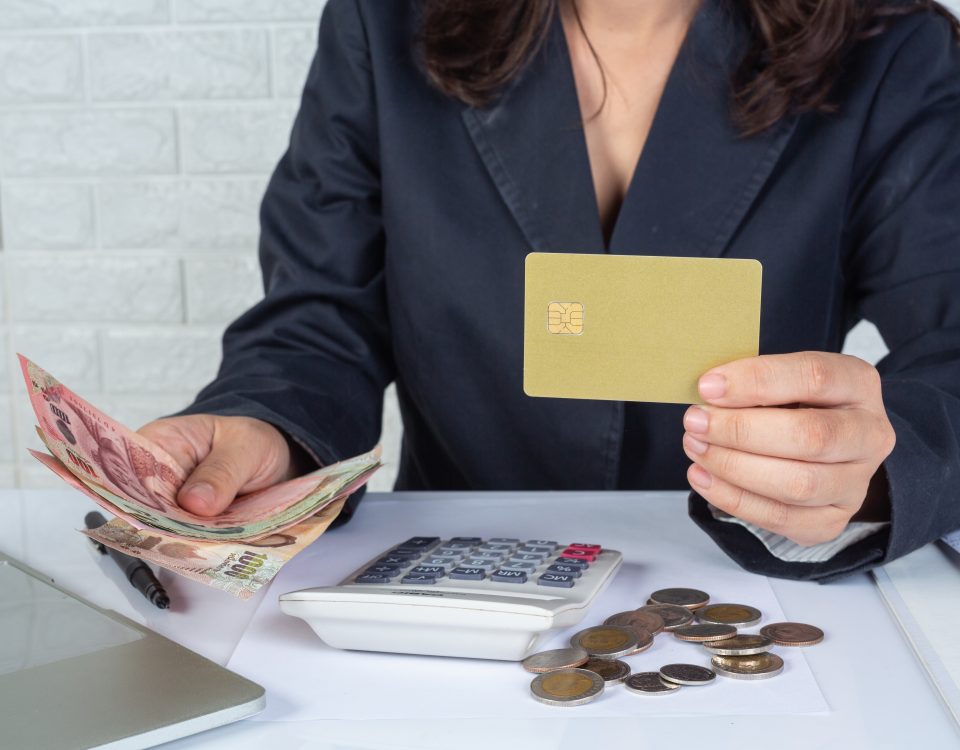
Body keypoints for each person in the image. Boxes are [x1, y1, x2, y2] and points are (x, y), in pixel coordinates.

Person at [138, 0, 960, 583]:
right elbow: (319, 316)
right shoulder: (384, 20)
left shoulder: (894, 47)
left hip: (749, 584)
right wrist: (265, 429)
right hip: (445, 584)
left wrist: (878, 471)